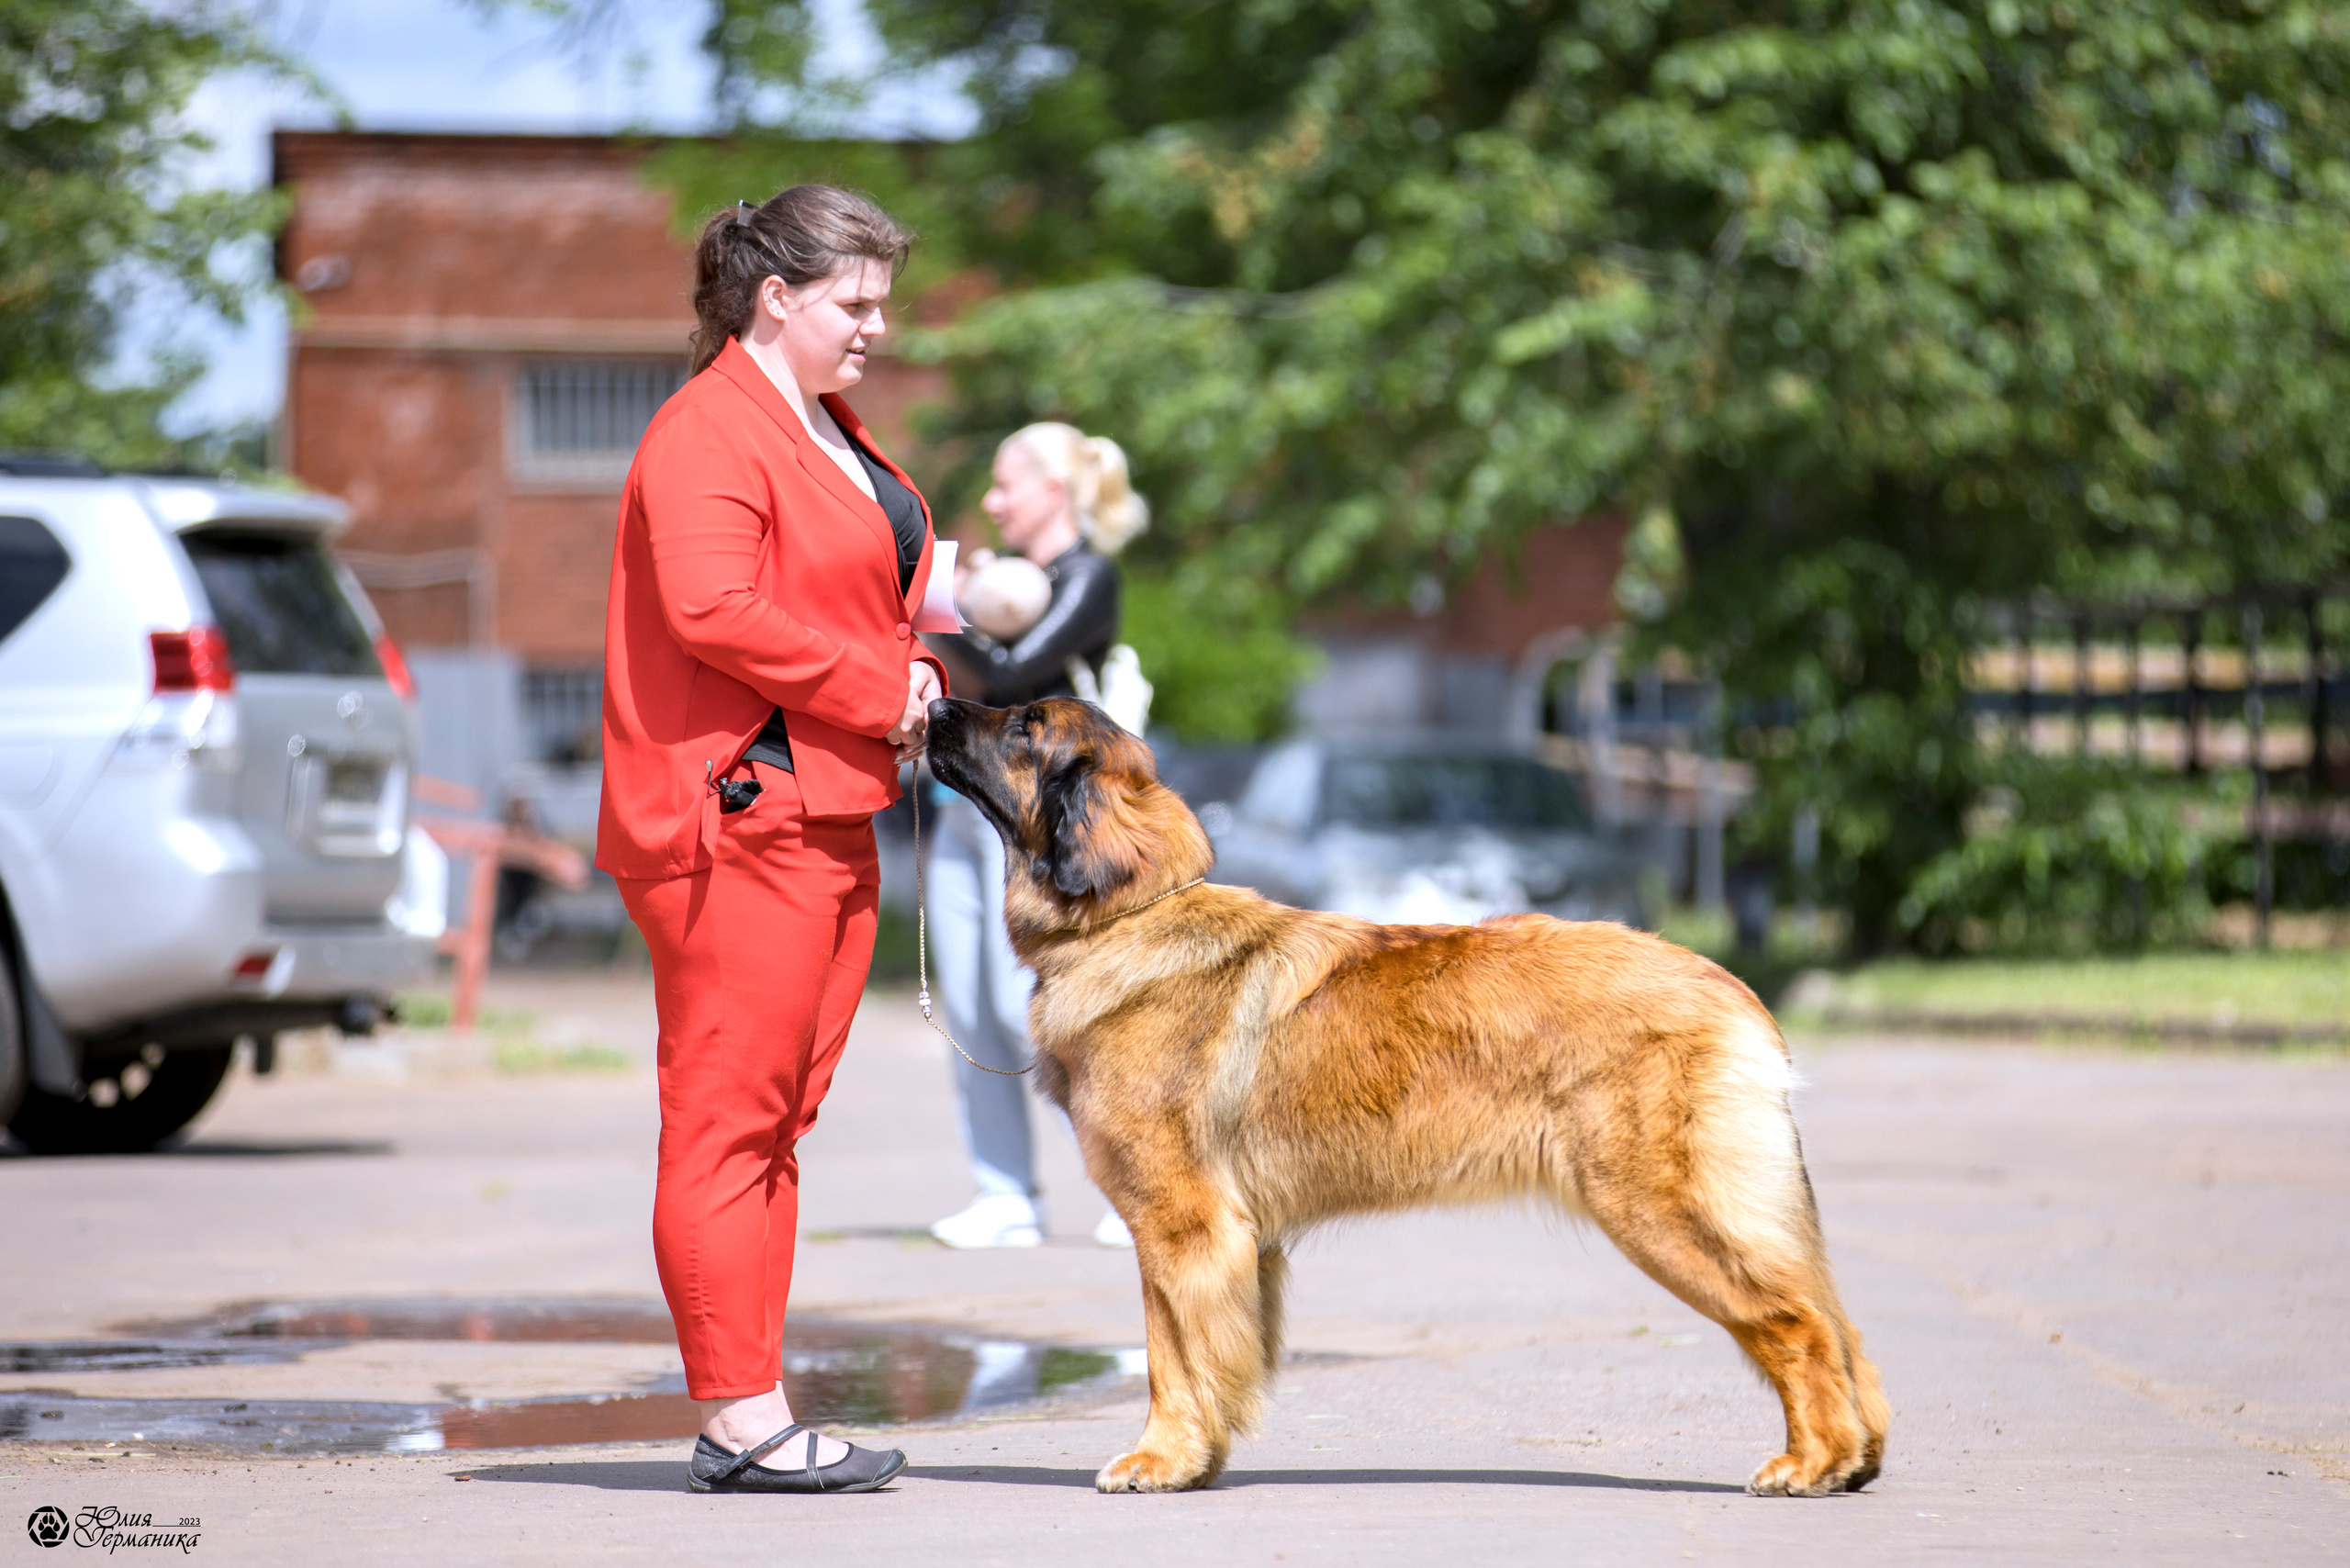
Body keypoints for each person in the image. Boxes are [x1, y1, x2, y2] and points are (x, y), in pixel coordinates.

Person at [598, 185, 944, 1495]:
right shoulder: (707, 431)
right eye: (854, 305)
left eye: (881, 304)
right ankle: (741, 1419)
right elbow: (712, 608)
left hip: (824, 813)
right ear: (774, 298)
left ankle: (749, 1402)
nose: (877, 328)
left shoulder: (819, 422)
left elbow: (849, 572)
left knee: (772, 1126)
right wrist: (880, 687)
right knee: (728, 1127)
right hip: (736, 822)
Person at [922, 422, 1148, 1249]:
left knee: (1025, 1005)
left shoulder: (1089, 576)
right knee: (972, 1008)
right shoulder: (994, 584)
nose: (992, 502)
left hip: (1034, 826)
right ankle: (1004, 1193)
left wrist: (931, 610)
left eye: (1004, 485)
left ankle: (1132, 1182)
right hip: (960, 808)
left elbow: (1013, 679)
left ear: (1053, 490)